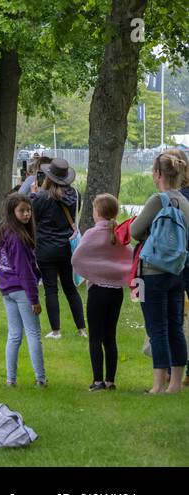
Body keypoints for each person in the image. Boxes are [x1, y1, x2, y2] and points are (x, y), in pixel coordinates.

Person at [128, 149, 189, 394]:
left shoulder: (157, 200)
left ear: (158, 174)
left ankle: (158, 385)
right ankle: (175, 384)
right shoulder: (185, 202)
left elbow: (134, 231)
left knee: (156, 328)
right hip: (176, 272)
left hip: (151, 273)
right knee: (175, 327)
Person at [72, 193, 133, 391]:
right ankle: (110, 380)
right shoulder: (120, 232)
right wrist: (119, 274)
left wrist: (91, 273)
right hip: (116, 291)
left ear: (97, 212)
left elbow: (77, 258)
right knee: (110, 336)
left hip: (97, 290)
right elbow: (131, 256)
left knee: (95, 336)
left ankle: (98, 381)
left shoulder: (92, 233)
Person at [28, 158, 86, 339]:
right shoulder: (75, 195)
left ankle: (56, 331)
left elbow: (34, 219)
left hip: (45, 248)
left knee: (51, 289)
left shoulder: (40, 197)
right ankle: (81, 329)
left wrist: (33, 196)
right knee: (70, 288)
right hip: (67, 247)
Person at [0, 194, 46, 388]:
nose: (26, 214)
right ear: (12, 212)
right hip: (21, 290)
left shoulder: (5, 231)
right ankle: (40, 379)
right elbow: (25, 272)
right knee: (33, 333)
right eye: (21, 210)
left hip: (7, 290)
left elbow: (1, 266)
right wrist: (34, 300)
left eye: (28, 210)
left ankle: (11, 379)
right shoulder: (17, 238)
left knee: (14, 335)